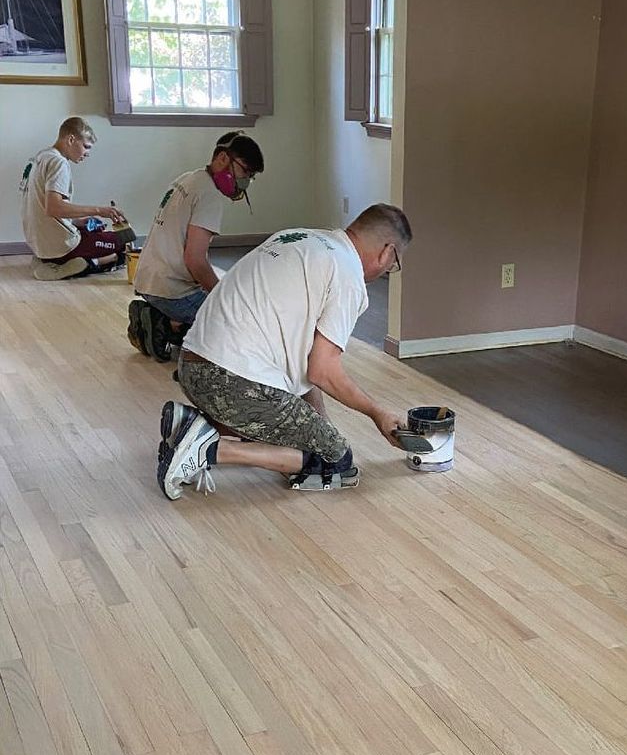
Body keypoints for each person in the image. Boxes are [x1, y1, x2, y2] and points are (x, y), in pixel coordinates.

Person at [156, 203, 412, 499]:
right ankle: (210, 449)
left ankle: (191, 426)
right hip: (232, 382)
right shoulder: (348, 275)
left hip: (193, 368)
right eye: (394, 264)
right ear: (387, 252)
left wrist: (319, 428)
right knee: (335, 461)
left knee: (315, 440)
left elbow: (305, 367)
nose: (388, 269)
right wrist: (377, 413)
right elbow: (323, 371)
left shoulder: (298, 238)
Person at [128, 132, 264, 360]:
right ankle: (166, 326)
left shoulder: (188, 179)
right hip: (173, 292)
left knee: (214, 301)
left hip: (148, 280)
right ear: (222, 158)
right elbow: (195, 260)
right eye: (244, 171)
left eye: (250, 176)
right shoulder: (209, 195)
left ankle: (164, 322)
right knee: (241, 324)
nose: (245, 181)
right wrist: (223, 296)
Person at [19, 117, 135, 280]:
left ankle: (46, 260)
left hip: (39, 243)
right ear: (71, 139)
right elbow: (53, 208)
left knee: (94, 227)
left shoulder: (39, 158)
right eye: (86, 147)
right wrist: (101, 210)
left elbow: (42, 208)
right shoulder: (58, 163)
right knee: (124, 243)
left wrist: (77, 221)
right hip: (60, 245)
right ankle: (85, 263)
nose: (87, 153)